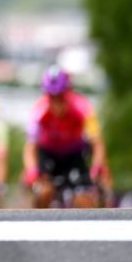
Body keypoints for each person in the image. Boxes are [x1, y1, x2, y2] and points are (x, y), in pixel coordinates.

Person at [23, 66, 108, 208]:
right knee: (44, 192)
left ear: (68, 92)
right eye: (52, 97)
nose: (57, 104)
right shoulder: (39, 109)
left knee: (85, 200)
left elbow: (97, 143)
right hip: (48, 154)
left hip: (74, 155)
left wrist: (97, 166)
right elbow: (30, 148)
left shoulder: (83, 107)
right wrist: (32, 170)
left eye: (61, 97)